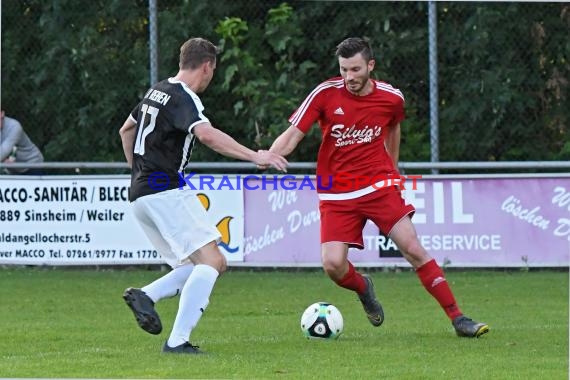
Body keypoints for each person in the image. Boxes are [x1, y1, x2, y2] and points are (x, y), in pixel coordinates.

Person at [266, 37, 489, 338]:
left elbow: (393, 124)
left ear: (370, 65)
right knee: (333, 265)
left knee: (413, 248)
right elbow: (294, 133)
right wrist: (271, 154)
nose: (349, 77)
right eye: (343, 69)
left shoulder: (391, 97)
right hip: (336, 192)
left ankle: (459, 318)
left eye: (355, 69)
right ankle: (363, 287)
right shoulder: (325, 94)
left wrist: (392, 169)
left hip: (378, 185)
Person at [119, 37, 288, 354]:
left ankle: (146, 296)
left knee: (193, 266)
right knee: (214, 260)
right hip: (165, 188)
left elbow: (125, 130)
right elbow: (206, 134)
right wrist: (255, 156)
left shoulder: (157, 90)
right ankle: (177, 340)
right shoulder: (184, 97)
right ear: (208, 66)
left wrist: (136, 170)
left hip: (140, 194)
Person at [0, 110, 44, 174]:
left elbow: (3, 151)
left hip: (32, 165)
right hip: (13, 170)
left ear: (2, 113)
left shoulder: (14, 126)